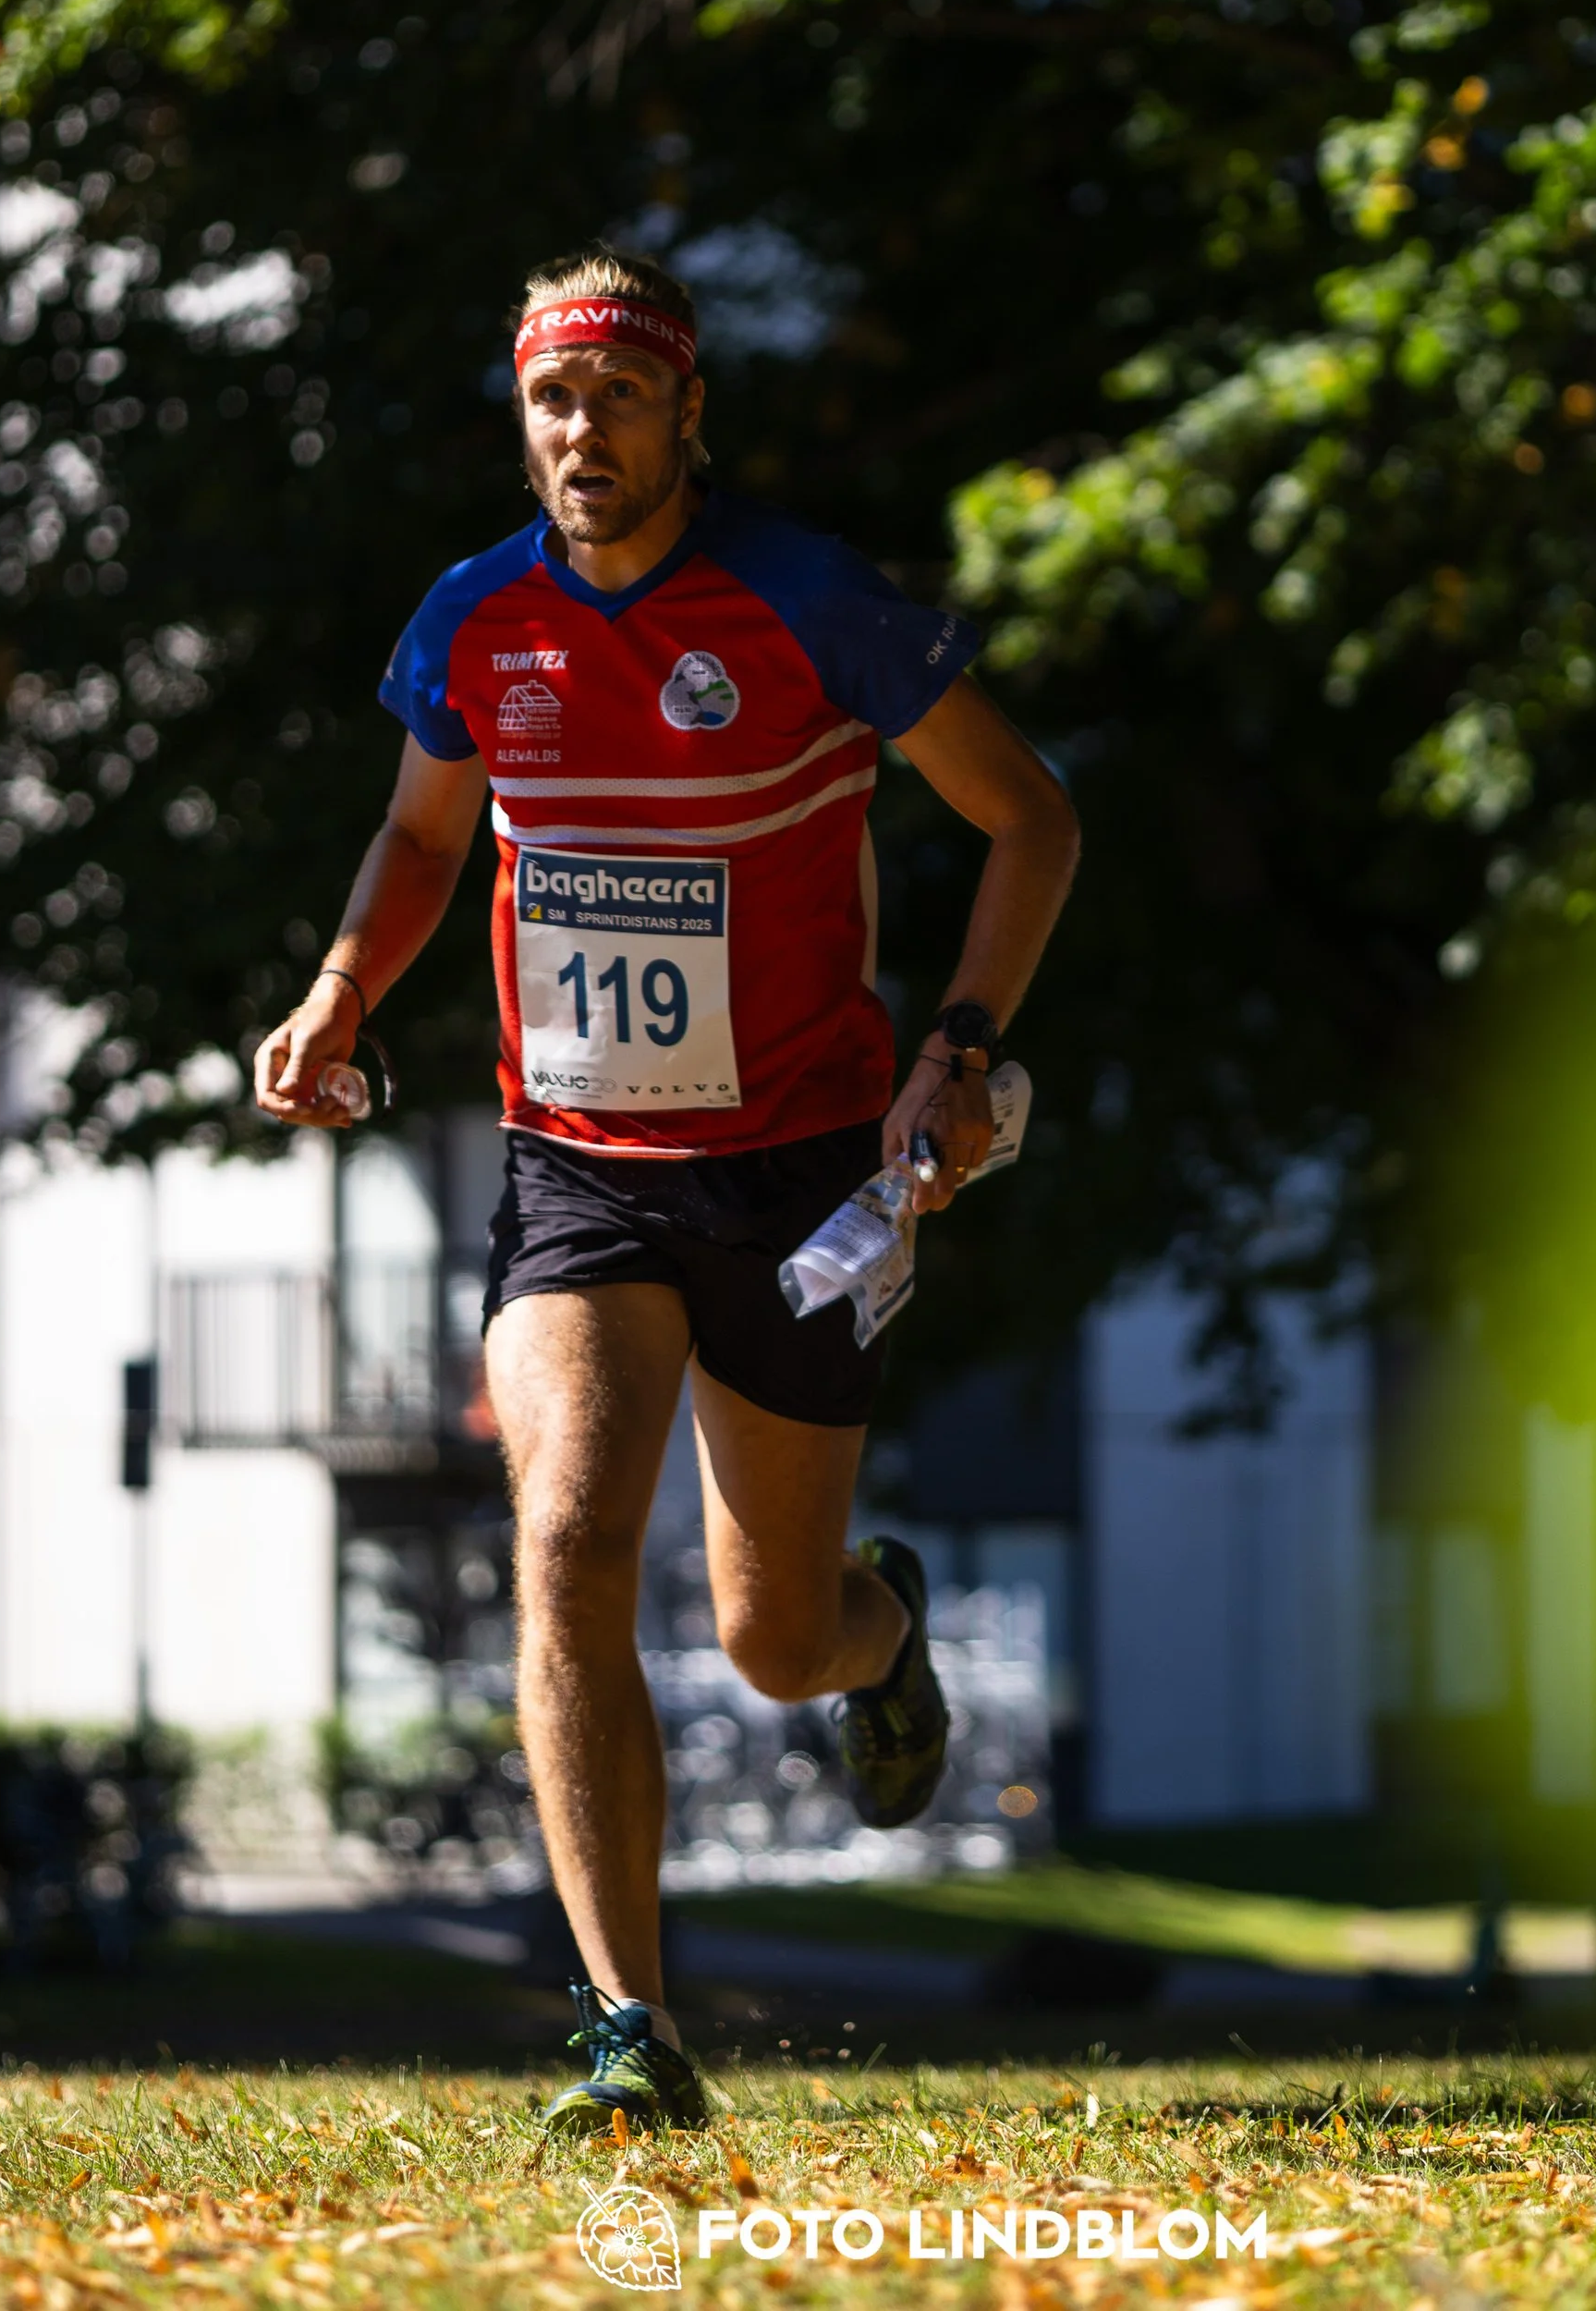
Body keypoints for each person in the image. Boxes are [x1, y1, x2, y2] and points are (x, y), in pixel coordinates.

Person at [252, 249, 1079, 2134]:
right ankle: (627, 2031)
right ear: (521, 419)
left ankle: (883, 1627)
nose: (580, 430)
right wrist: (336, 987)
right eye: (551, 399)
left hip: (799, 1171)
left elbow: (1031, 814)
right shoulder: (473, 625)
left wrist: (954, 1041)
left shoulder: (804, 603)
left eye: (616, 394)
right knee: (560, 1537)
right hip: (583, 1173)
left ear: (683, 410)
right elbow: (418, 828)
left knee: (773, 1635)